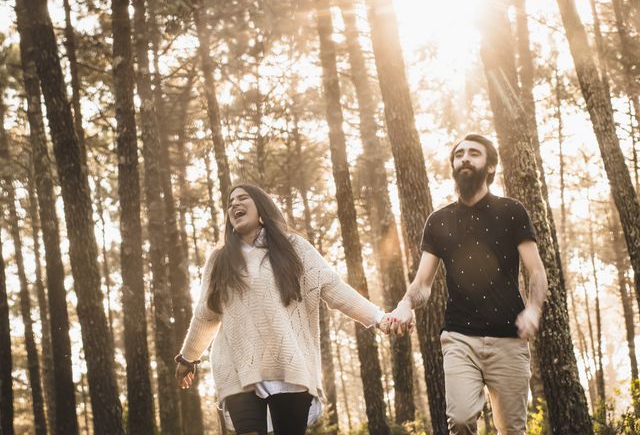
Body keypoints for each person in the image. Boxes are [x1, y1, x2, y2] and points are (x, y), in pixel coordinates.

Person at [174, 183, 386, 435]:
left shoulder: (294, 248)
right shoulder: (220, 259)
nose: (234, 205)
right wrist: (188, 358)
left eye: (243, 199)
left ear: (261, 207)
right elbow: (205, 315)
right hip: (237, 367)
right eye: (230, 203)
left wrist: (379, 317)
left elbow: (333, 288)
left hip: (289, 365)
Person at [382, 134, 548, 435]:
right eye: (459, 155)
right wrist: (405, 304)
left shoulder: (512, 211)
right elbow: (422, 283)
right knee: (459, 421)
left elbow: (536, 271)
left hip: (509, 339)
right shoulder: (438, 221)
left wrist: (534, 309)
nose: (465, 159)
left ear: (491, 167)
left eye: (474, 153)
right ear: (454, 167)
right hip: (460, 338)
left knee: (512, 430)